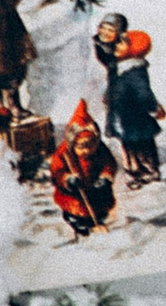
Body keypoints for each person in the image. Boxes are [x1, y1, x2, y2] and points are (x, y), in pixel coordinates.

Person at [94, 19, 165, 186]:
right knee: (129, 148)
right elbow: (114, 83)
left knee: (143, 146)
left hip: (136, 119)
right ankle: (134, 172)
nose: (116, 47)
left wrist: (154, 108)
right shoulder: (118, 66)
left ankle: (149, 171)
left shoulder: (135, 71)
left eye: (121, 44)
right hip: (122, 116)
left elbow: (144, 94)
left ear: (133, 50)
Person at [49, 101, 119, 238]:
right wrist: (67, 180)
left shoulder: (101, 150)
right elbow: (57, 170)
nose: (86, 150)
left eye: (90, 145)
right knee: (76, 210)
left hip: (95, 189)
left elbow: (109, 164)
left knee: (100, 207)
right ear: (72, 143)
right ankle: (79, 226)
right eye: (81, 147)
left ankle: (97, 221)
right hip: (75, 193)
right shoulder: (64, 153)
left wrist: (105, 178)